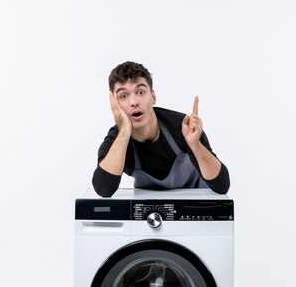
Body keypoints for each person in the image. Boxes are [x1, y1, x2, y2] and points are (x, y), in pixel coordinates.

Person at [92, 61, 230, 197]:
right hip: (152, 211)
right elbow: (104, 189)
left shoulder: (183, 127)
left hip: (197, 207)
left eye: (140, 92)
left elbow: (222, 186)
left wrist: (195, 145)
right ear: (115, 104)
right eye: (123, 96)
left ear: (153, 97)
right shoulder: (116, 140)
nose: (133, 102)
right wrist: (124, 133)